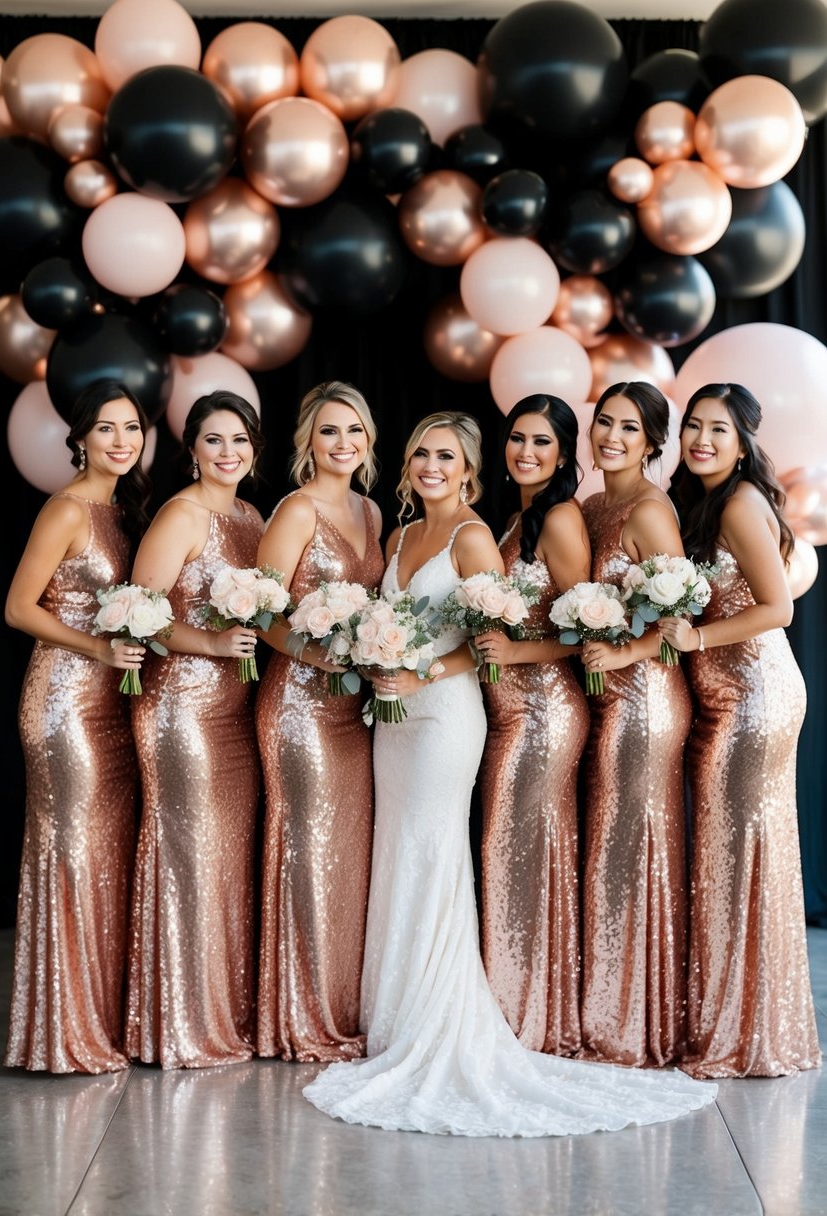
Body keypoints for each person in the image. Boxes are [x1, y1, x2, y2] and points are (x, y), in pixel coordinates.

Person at [303, 411, 716, 1137]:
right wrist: (378, 660)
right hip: (394, 720)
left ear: (467, 471)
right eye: (421, 453)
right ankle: (392, 1016)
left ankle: (439, 1021)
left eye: (447, 456)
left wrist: (423, 666)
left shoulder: (477, 535)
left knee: (434, 852)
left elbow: (492, 642)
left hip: (447, 716)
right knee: (398, 853)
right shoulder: (401, 537)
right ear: (406, 464)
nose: (432, 465)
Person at [660, 382, 820, 1078]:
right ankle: (743, 1021)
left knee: (738, 861)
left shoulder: (742, 502)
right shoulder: (701, 503)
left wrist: (693, 640)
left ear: (743, 441)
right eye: (692, 426)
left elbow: (778, 607)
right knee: (733, 859)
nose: (700, 439)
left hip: (754, 696)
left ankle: (740, 1035)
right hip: (721, 699)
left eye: (717, 430)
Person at [5, 380, 150, 1073]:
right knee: (69, 856)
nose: (120, 441)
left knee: (106, 857)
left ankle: (99, 1020)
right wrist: (96, 648)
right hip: (64, 703)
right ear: (80, 439)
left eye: (131, 428)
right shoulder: (66, 510)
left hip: (118, 706)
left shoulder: (127, 512)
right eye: (106, 429)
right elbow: (17, 607)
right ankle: (60, 1033)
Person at [125, 390, 264, 1069]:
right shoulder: (180, 516)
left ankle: (223, 1014)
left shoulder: (253, 517)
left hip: (238, 714)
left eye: (238, 440)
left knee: (226, 862)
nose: (227, 452)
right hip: (180, 708)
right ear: (192, 450)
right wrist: (208, 645)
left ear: (254, 449)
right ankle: (176, 1023)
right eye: (213, 440)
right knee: (187, 857)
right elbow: (134, 615)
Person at [255, 382, 384, 1062]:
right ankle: (300, 1018)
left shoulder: (370, 510)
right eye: (329, 431)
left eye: (354, 432)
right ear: (308, 441)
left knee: (346, 856)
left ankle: (339, 1007)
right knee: (307, 850)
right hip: (299, 705)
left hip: (351, 710)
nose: (342, 444)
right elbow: (262, 611)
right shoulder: (296, 510)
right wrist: (315, 652)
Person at [578, 382, 692, 1068]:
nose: (611, 436)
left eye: (628, 427)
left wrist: (624, 650)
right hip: (603, 697)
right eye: (603, 422)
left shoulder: (649, 511)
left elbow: (683, 621)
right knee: (610, 848)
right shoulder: (593, 506)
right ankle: (610, 1009)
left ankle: (636, 1024)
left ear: (652, 443)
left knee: (631, 847)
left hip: (644, 698)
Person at [476, 395, 590, 1055]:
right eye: (517, 439)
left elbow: (583, 627)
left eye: (541, 443)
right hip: (510, 710)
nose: (525, 452)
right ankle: (516, 1008)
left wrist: (517, 652)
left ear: (564, 454)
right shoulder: (521, 514)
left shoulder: (560, 519)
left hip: (544, 709)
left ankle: (531, 1020)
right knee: (510, 855)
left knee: (520, 855)